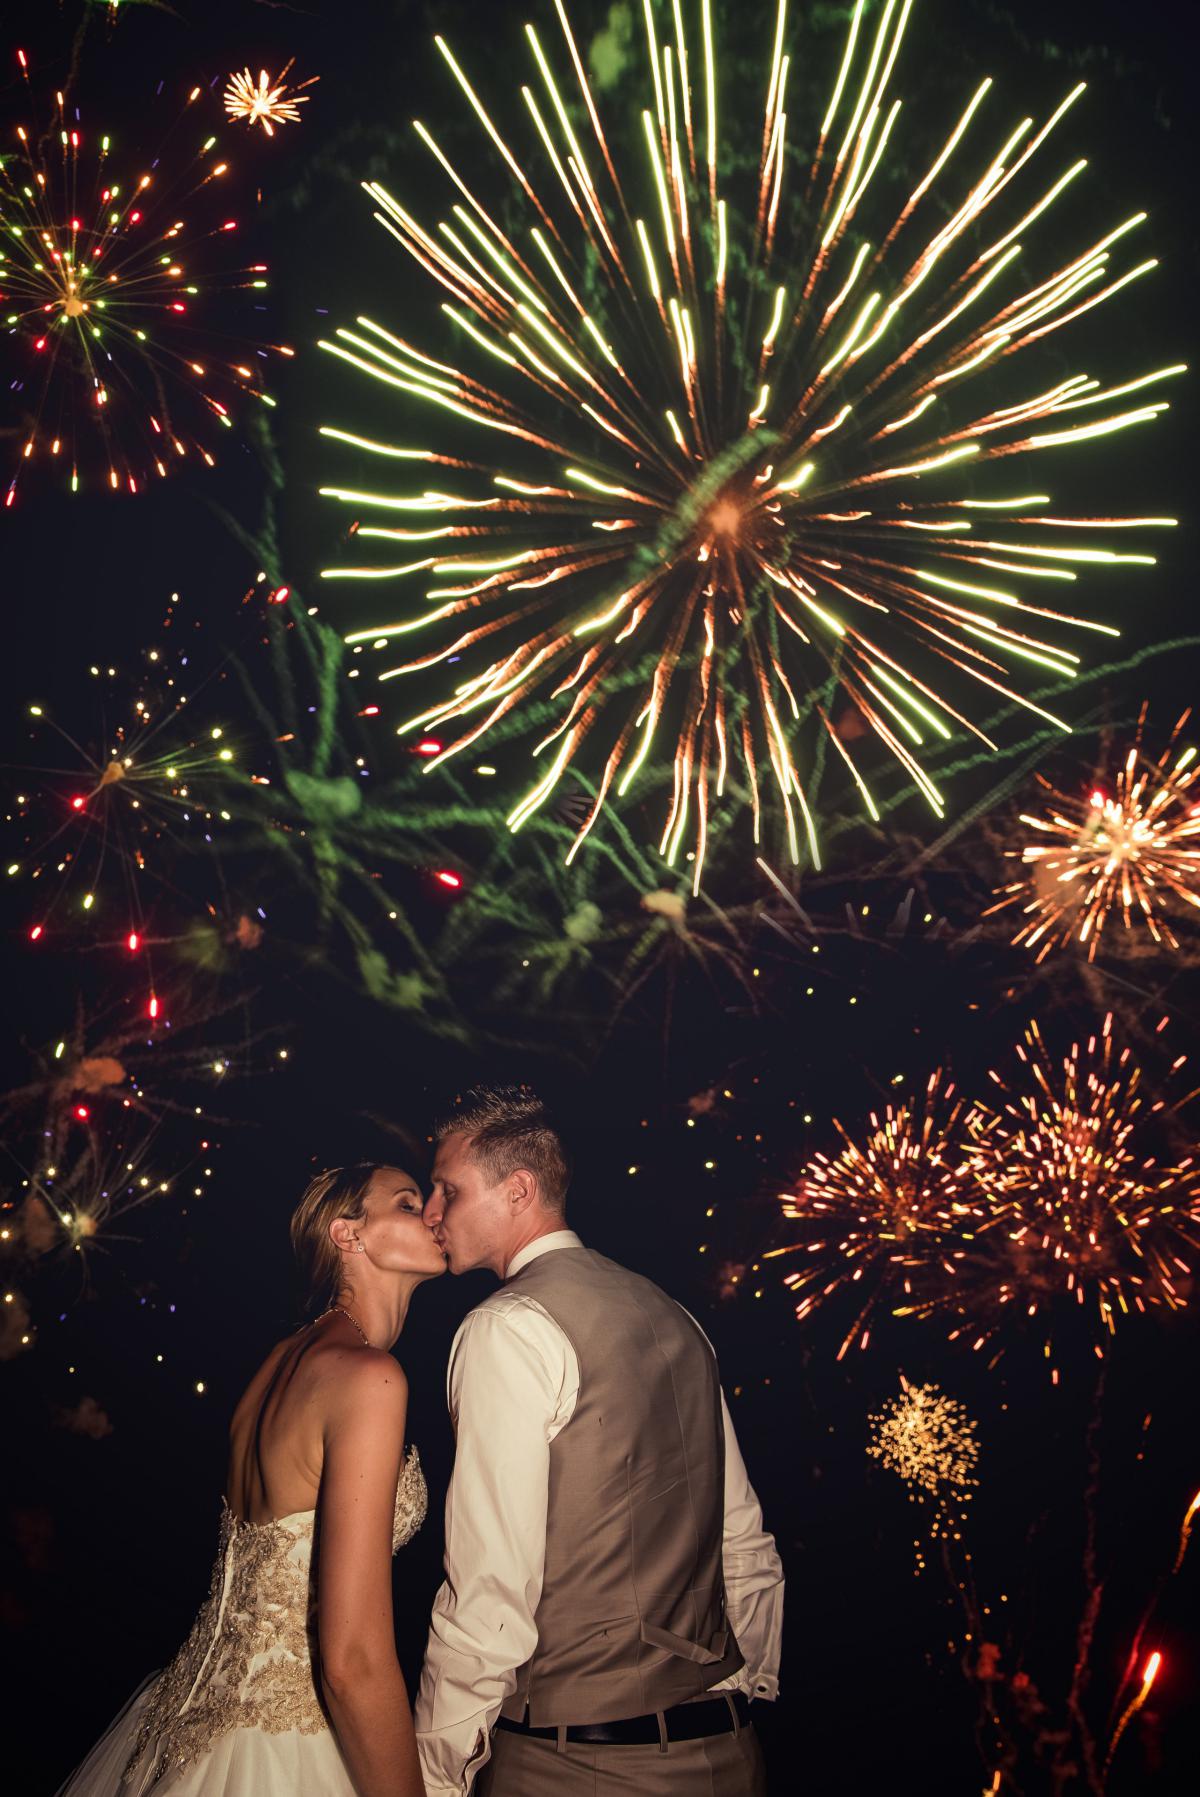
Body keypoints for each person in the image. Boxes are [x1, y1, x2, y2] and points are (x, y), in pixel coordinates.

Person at [416, 1087, 783, 1796]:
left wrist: (432, 1777)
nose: (432, 1211)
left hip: (579, 1767)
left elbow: (490, 1596)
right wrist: (747, 1684)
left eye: (447, 1189)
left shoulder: (506, 1328)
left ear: (518, 1189)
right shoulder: (674, 1314)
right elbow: (742, 1538)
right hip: (730, 1754)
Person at [57, 1162, 445, 1797]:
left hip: (182, 1721)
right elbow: (350, 1662)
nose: (431, 1213)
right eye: (407, 1203)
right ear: (348, 1234)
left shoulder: (278, 1362)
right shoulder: (369, 1378)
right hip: (283, 1743)